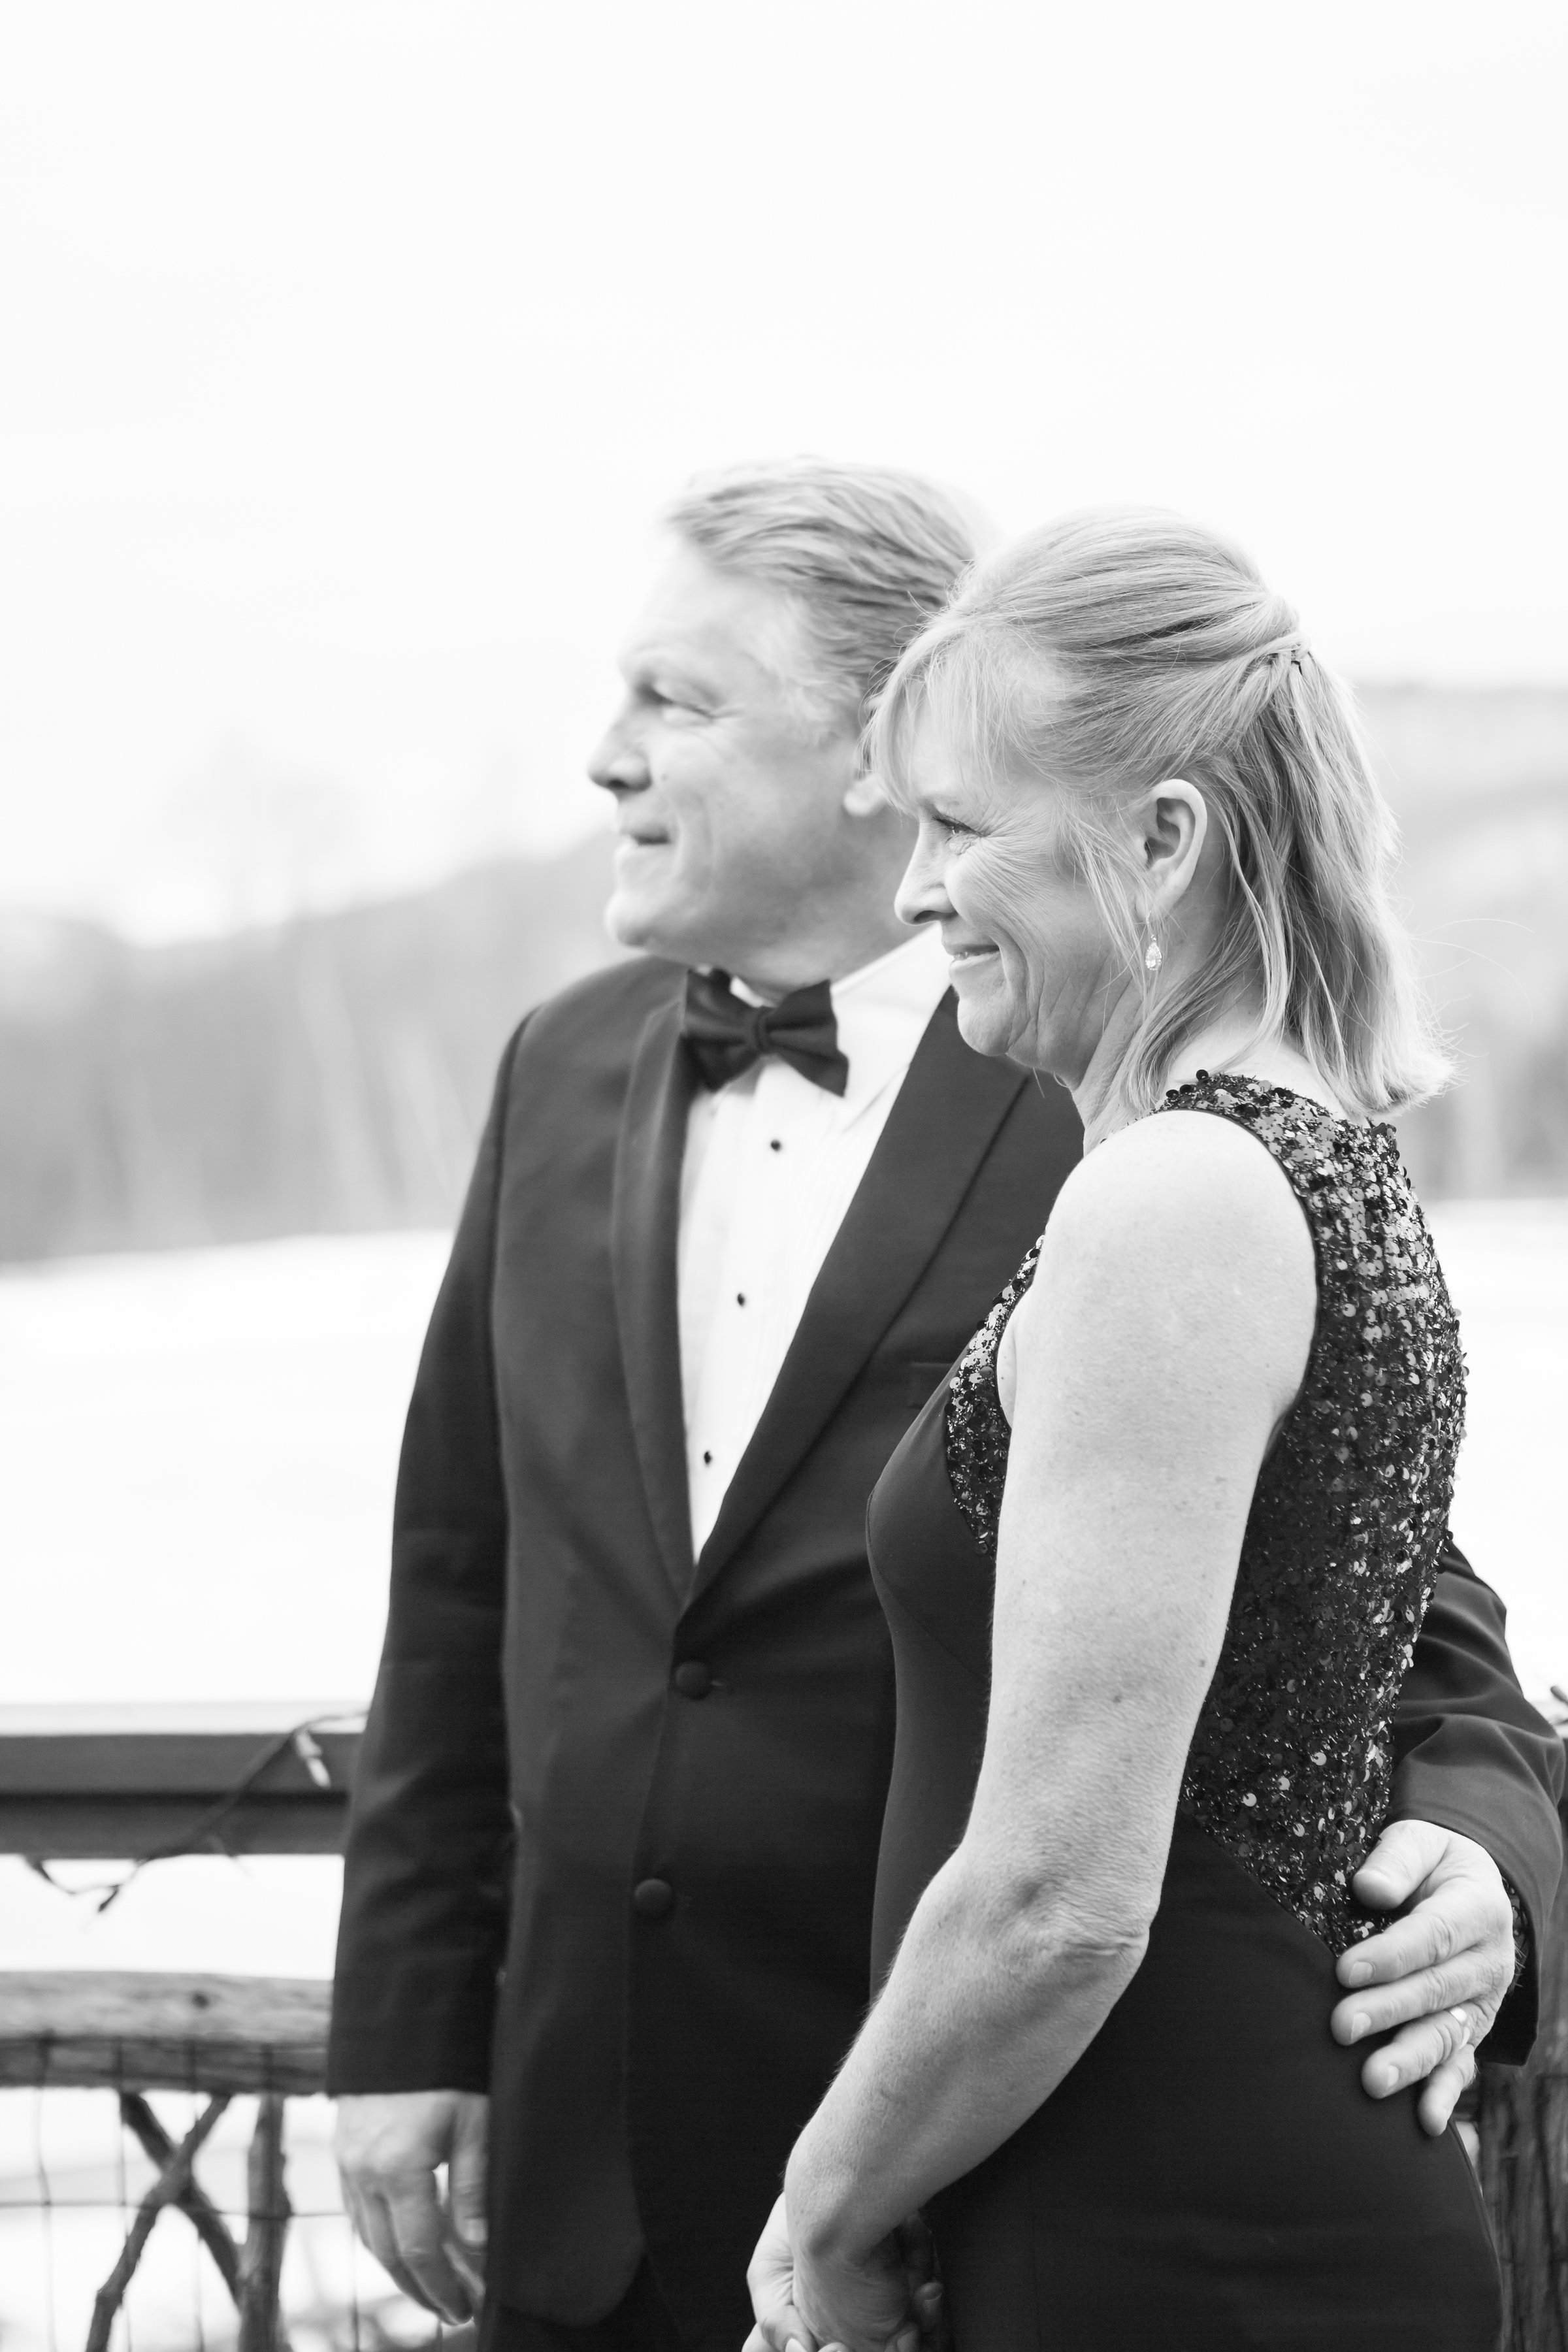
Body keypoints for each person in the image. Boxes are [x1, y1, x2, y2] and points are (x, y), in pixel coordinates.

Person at [327, 464, 1563, 2352]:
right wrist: (406, 2027)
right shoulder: (560, 1068)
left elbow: (1380, 1593)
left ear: (866, 745)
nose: (607, 754)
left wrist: (1496, 1862)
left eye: (678, 698)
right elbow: (458, 1576)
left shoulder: (1136, 1144)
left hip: (986, 2143)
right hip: (613, 2165)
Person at [747, 507, 1559, 2352]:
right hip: (1195, 2206)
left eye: (958, 827)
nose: (912, 891)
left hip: (1180, 2238)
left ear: (1161, 842)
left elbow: (1060, 1899)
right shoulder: (1302, 1158)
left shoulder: (1177, 1199)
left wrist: (828, 2208)